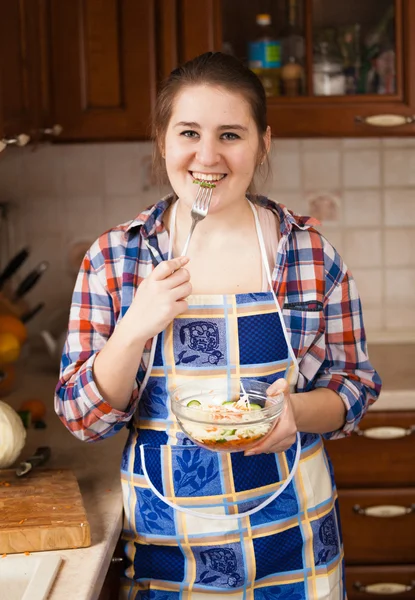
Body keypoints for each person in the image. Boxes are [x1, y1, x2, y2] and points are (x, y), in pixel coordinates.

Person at [55, 51, 381, 599]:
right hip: (169, 548)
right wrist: (135, 327)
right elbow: (85, 420)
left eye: (231, 134)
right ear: (163, 140)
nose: (208, 156)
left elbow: (354, 385)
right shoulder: (116, 259)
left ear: (263, 143)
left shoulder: (308, 254)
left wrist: (296, 411)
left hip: (295, 543)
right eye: (189, 132)